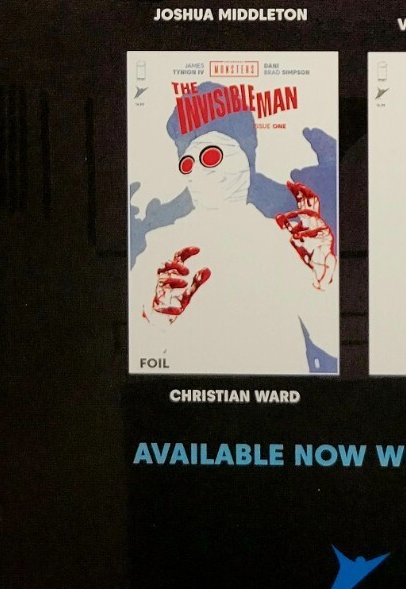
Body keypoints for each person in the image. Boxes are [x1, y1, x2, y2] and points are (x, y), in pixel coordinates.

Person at [131, 89, 337, 375]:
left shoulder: (285, 240)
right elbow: (135, 355)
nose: (198, 171)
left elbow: (331, 341)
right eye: (187, 160)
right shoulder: (160, 248)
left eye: (210, 156)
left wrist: (323, 275)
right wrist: (156, 319)